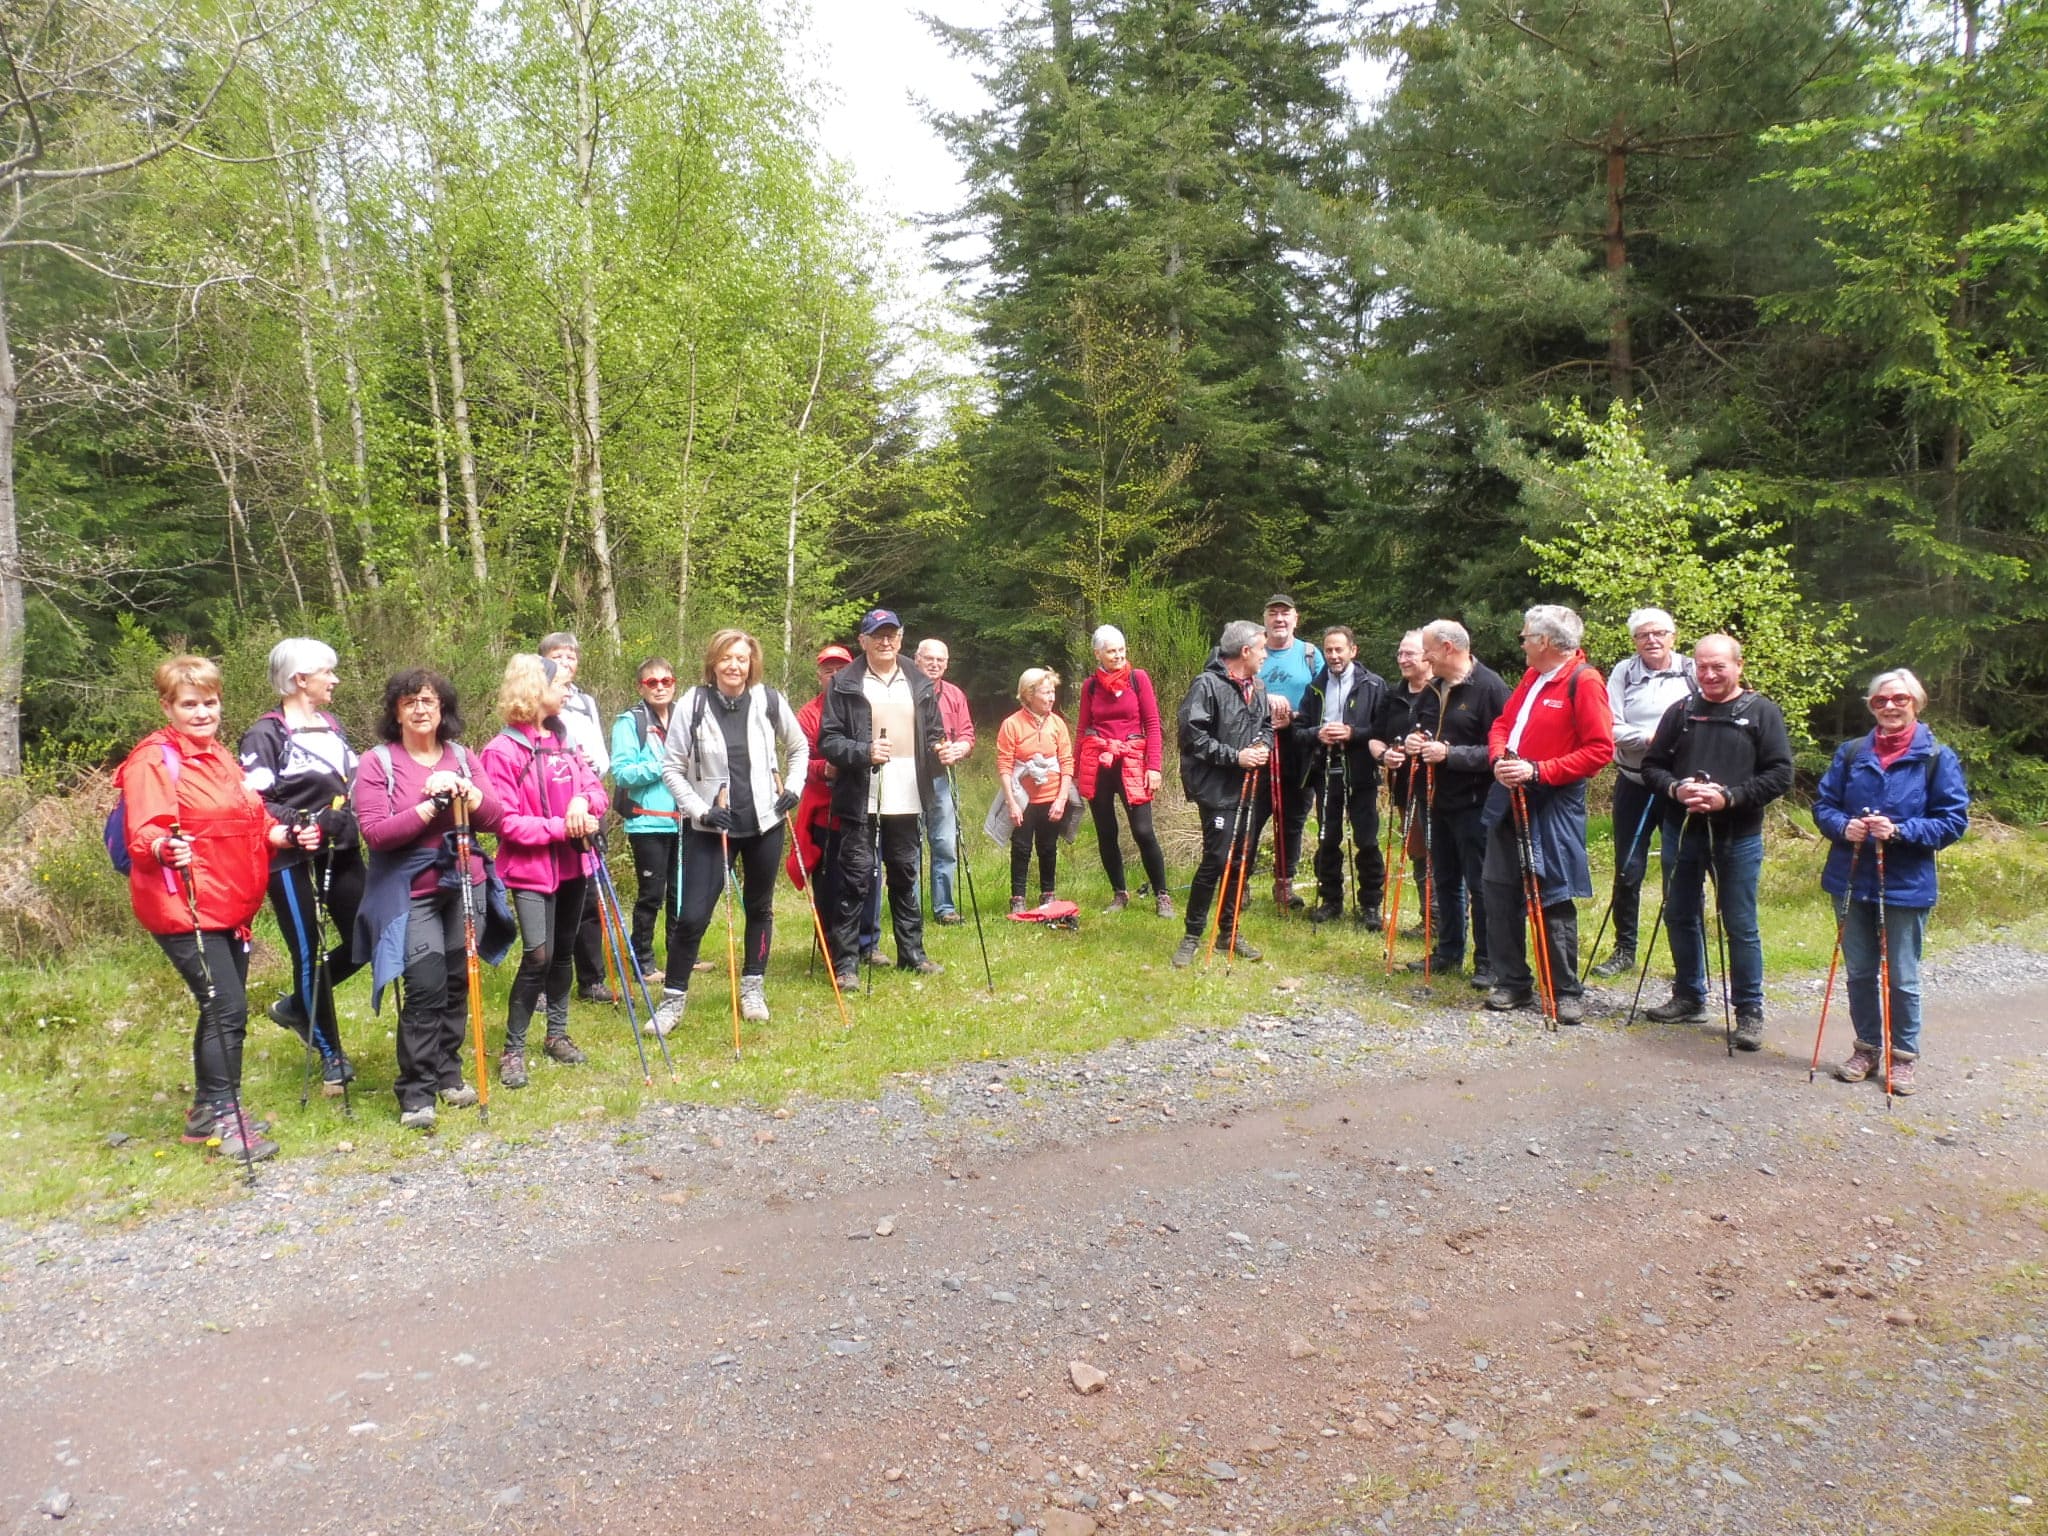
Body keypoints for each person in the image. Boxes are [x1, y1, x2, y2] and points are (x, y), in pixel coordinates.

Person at [119, 655, 299, 1162]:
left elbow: (254, 822)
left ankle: (204, 1113)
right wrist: (162, 848)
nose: (202, 713)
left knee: (222, 1004)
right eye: (190, 704)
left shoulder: (220, 756)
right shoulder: (154, 760)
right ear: (168, 706)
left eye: (210, 702)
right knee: (227, 1007)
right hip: (184, 906)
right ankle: (224, 1113)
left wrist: (288, 834)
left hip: (230, 906)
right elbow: (146, 832)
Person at [352, 669, 507, 1129]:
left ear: (443, 711)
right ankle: (416, 1091)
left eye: (429, 701)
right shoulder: (377, 762)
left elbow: (496, 818)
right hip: (410, 890)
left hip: (464, 881)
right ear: (395, 712)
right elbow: (377, 834)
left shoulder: (462, 756)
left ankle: (448, 1073)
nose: (420, 710)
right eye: (409, 702)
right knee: (425, 985)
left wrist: (469, 793)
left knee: (459, 980)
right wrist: (430, 804)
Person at [1813, 669, 1970, 1095]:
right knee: (1860, 971)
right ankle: (1866, 1049)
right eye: (1880, 700)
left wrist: (1900, 831)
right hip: (1849, 877)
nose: (1889, 706)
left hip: (1906, 881)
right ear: (1871, 706)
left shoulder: (1937, 757)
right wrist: (1843, 826)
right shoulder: (1850, 753)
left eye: (1899, 698)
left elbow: (1953, 822)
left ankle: (1903, 1058)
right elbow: (1823, 805)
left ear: (1916, 702)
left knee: (1901, 976)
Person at [1637, 636, 1795, 1048]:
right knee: (1680, 914)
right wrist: (1676, 790)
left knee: (1740, 924)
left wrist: (1731, 797)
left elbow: (1780, 774)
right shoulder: (1682, 711)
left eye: (1718, 667)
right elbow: (1652, 767)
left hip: (1737, 835)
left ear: (1738, 666)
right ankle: (1689, 996)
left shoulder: (1763, 712)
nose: (1708, 675)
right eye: (1702, 667)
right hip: (1683, 829)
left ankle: (1749, 1012)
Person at [658, 629, 809, 1025]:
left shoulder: (769, 699)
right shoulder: (692, 703)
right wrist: (700, 810)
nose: (734, 665)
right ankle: (672, 999)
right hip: (712, 827)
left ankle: (753, 987)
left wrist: (793, 787)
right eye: (727, 657)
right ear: (713, 662)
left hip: (764, 822)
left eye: (741, 658)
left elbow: (799, 747)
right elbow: (671, 768)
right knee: (692, 916)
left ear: (751, 664)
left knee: (760, 908)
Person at [238, 637, 363, 1095]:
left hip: (341, 848)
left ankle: (295, 1006)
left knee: (366, 935)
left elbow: (349, 782)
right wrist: (303, 823)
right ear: (300, 679)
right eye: (327, 672)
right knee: (308, 949)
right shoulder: (265, 734)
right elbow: (256, 802)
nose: (335, 679)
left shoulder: (332, 724)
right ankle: (330, 1052)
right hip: (289, 854)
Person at [478, 654, 608, 1087]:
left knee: (565, 951)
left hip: (575, 863)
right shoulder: (502, 751)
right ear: (536, 689)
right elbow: (504, 821)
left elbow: (594, 789)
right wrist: (560, 826)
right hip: (530, 869)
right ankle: (513, 1050)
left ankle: (556, 1034)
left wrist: (582, 804)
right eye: (561, 685)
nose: (568, 691)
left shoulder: (563, 738)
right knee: (538, 955)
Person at [1482, 605, 1614, 1023]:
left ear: (1545, 642)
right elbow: (1502, 724)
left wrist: (1539, 770)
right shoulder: (1532, 676)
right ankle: (1513, 983)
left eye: (1525, 636)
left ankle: (1565, 990)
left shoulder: (1584, 680)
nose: (1520, 642)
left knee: (1552, 894)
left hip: (1554, 802)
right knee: (1499, 890)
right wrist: (1500, 758)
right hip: (1509, 795)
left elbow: (1599, 751)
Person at [818, 608, 947, 988]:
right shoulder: (843, 682)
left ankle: (912, 954)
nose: (885, 641)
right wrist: (864, 751)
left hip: (908, 794)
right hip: (861, 795)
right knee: (855, 879)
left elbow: (933, 734)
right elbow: (829, 741)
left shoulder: (919, 680)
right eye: (877, 635)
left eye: (891, 634)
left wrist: (943, 751)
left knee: (905, 875)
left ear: (901, 637)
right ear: (863, 641)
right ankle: (846, 965)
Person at [1590, 609, 1697, 978]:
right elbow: (1609, 726)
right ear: (1634, 641)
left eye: (1659, 633)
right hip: (1634, 782)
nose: (1652, 640)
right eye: (1643, 635)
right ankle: (1625, 949)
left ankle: (1688, 957)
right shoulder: (1624, 672)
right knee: (1628, 868)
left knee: (1680, 869)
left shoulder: (1692, 669)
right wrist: (1651, 739)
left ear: (1673, 636)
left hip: (1677, 787)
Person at [1404, 621, 1511, 982]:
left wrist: (1451, 755)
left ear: (1448, 648)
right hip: (1434, 799)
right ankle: (1449, 952)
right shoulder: (1432, 688)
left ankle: (1488, 961)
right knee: (1444, 879)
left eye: (1428, 649)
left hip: (1474, 802)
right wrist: (1413, 743)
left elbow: (1502, 751)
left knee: (1481, 882)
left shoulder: (1490, 687)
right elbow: (1421, 728)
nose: (1424, 656)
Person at [1171, 620, 1271, 968]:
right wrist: (1237, 757)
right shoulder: (1206, 684)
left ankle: (1229, 930)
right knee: (1216, 859)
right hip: (1215, 788)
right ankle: (1192, 935)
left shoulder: (1257, 686)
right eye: (1261, 649)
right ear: (1245, 651)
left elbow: (1266, 726)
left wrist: (1262, 748)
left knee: (1241, 860)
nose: (1265, 655)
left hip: (1248, 787)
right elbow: (1192, 737)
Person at [540, 631, 615, 1004]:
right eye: (557, 657)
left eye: (571, 657)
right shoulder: (534, 709)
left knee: (588, 895)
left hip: (587, 805)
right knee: (547, 893)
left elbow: (602, 755)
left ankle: (591, 978)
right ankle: (542, 980)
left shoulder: (585, 703)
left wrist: (590, 767)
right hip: (548, 811)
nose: (566, 664)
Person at [1076, 624, 1171, 917]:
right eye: (1111, 651)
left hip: (1132, 763)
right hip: (1099, 763)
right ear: (1098, 654)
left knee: (1143, 831)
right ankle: (1120, 893)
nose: (1117, 656)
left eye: (1121, 650)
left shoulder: (1137, 679)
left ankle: (1162, 895)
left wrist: (1154, 767)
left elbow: (1153, 725)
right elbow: (1081, 728)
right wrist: (1076, 771)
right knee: (1106, 832)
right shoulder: (1090, 686)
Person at [1297, 625, 1387, 927]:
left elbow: (1383, 729)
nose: (1334, 656)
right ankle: (1330, 899)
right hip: (1325, 771)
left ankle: (1371, 904)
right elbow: (1299, 732)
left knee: (1366, 838)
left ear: (1353, 650)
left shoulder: (1374, 685)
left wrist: (1352, 733)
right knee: (1328, 838)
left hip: (1360, 772)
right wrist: (1317, 733)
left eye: (1339, 649)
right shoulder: (1315, 687)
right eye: (1329, 650)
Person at [610, 657, 687, 986]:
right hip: (647, 823)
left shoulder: (682, 718)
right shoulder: (629, 722)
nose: (659, 687)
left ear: (674, 683)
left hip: (684, 821)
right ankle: (643, 961)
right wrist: (663, 765)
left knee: (681, 893)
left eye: (665, 681)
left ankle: (682, 954)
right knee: (651, 894)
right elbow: (622, 772)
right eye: (651, 682)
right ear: (640, 687)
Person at [1248, 595, 1323, 907]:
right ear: (1264, 619)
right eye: (1273, 613)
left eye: (1285, 614)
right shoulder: (1252, 651)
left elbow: (1323, 694)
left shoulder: (1310, 654)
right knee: (1251, 816)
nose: (1279, 619)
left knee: (1292, 817)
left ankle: (1285, 885)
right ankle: (1240, 882)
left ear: (1296, 619)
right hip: (1255, 742)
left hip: (1298, 744)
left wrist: (1295, 716)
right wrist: (1266, 704)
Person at [997, 667, 1075, 913]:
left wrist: (1062, 799)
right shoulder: (1011, 724)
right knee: (1021, 848)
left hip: (1052, 797)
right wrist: (1011, 803)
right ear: (1028, 694)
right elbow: (1005, 765)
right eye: (1045, 693)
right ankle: (1017, 897)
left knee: (1048, 847)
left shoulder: (1057, 724)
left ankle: (1047, 895)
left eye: (1053, 692)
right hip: (1023, 799)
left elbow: (1067, 762)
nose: (1051, 698)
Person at [1370, 630, 1433, 929]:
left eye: (1409, 653)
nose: (1402, 659)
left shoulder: (1441, 694)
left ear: (1428, 656)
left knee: (1439, 854)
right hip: (1404, 787)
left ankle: (1443, 920)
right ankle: (1429, 919)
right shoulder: (1393, 695)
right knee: (1418, 850)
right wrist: (1385, 756)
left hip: (1438, 788)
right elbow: (1375, 738)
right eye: (1400, 654)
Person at [790, 644, 854, 934]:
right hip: (824, 811)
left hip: (861, 806)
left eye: (841, 670)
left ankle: (866, 942)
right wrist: (824, 768)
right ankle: (829, 940)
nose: (835, 676)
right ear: (820, 676)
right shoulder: (807, 714)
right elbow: (799, 760)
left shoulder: (865, 706)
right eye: (829, 671)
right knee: (828, 880)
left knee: (862, 877)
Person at [912, 639, 975, 926]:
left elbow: (967, 735)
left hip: (942, 777)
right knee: (910, 845)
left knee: (945, 843)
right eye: (929, 659)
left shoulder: (954, 695)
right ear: (917, 659)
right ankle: (909, 909)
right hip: (909, 777)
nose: (935, 664)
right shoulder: (904, 689)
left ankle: (945, 908)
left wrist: (959, 749)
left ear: (947, 664)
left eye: (940, 660)